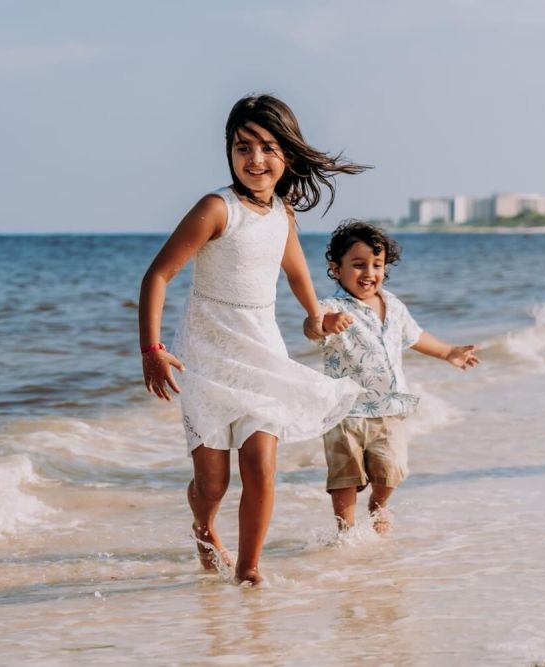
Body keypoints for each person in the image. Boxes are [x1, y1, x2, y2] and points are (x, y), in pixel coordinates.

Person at [138, 94, 368, 584]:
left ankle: (249, 570)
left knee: (261, 463)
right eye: (243, 147)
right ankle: (203, 526)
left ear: (287, 153)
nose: (256, 159)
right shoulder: (216, 209)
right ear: (229, 152)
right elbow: (157, 276)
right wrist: (153, 350)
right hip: (206, 354)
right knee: (214, 483)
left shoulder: (283, 213)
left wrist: (316, 315)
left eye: (267, 147)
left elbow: (296, 271)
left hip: (261, 352)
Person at [306, 221, 480, 535]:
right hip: (345, 413)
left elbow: (414, 336)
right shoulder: (330, 307)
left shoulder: (393, 304)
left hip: (390, 408)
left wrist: (448, 352)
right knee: (344, 477)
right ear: (336, 268)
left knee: (392, 470)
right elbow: (311, 326)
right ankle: (346, 531)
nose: (369, 273)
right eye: (358, 265)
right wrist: (326, 323)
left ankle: (378, 504)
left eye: (377, 265)